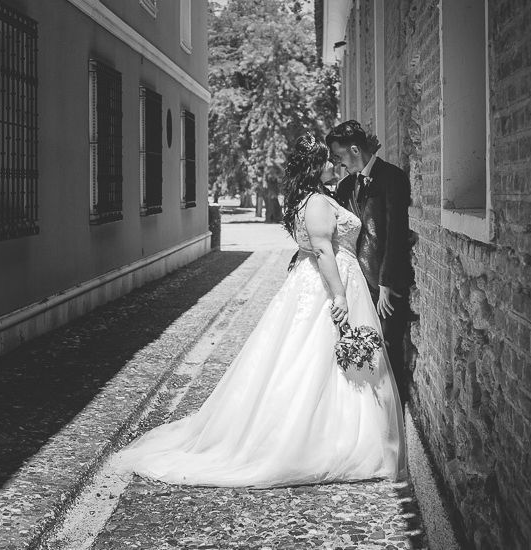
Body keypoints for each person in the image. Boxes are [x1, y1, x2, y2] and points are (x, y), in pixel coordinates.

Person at [114, 133, 407, 488]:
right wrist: (340, 298)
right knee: (316, 360)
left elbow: (312, 247)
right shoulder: (316, 202)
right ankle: (325, 439)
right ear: (317, 167)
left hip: (331, 281)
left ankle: (343, 432)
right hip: (333, 285)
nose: (336, 163)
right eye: (329, 160)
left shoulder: (318, 197)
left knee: (323, 361)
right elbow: (325, 252)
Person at [326, 121, 413, 408]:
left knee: (388, 348)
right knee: (358, 347)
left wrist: (387, 283)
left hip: (383, 284)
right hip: (355, 282)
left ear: (354, 150)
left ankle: (392, 412)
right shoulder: (346, 186)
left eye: (339, 157)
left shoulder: (392, 178)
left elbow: (396, 233)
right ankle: (364, 412)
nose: (338, 164)